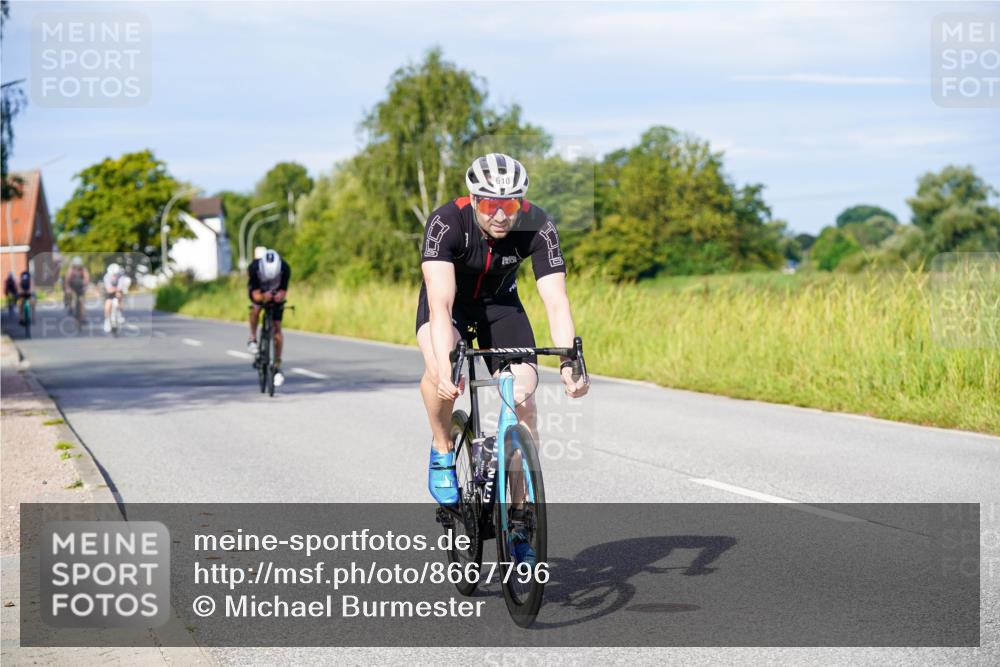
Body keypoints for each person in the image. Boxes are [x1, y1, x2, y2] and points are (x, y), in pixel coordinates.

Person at [416, 153, 589, 561]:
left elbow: (556, 301)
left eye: (509, 205)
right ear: (473, 198)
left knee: (525, 398)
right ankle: (442, 447)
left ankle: (519, 516)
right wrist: (445, 364)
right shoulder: (446, 222)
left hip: (502, 307)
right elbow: (439, 306)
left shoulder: (539, 225)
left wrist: (568, 361)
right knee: (442, 371)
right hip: (451, 306)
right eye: (490, 204)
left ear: (521, 203)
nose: (499, 215)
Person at [247, 249, 290, 387]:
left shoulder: (285, 267)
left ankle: (277, 363)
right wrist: (263, 297)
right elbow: (254, 294)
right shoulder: (254, 268)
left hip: (275, 296)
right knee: (255, 308)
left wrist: (279, 296)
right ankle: (253, 338)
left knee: (277, 328)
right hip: (260, 292)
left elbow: (283, 290)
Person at [102, 263, 126, 333]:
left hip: (118, 292)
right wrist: (116, 289)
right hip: (109, 293)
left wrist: (117, 290)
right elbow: (109, 289)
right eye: (113, 275)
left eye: (115, 275)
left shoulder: (121, 277)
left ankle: (120, 314)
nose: (114, 276)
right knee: (107, 305)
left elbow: (120, 287)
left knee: (120, 296)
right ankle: (107, 320)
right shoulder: (107, 276)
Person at [64, 257, 90, 321]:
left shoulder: (83, 269)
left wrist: (85, 286)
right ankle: (70, 306)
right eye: (76, 266)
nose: (77, 267)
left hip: (80, 286)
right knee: (70, 295)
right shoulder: (70, 270)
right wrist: (68, 288)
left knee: (82, 301)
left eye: (79, 266)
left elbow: (87, 278)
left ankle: (83, 317)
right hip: (72, 286)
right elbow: (67, 280)